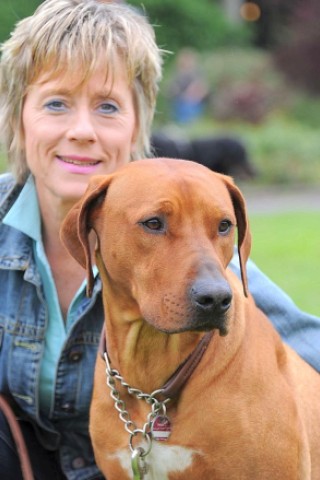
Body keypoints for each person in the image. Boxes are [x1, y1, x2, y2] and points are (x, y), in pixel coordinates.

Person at [0, 1, 318, 479]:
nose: (82, 130)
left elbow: (302, 347)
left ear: (136, 125)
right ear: (19, 114)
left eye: (107, 106)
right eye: (56, 103)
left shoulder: (213, 275)